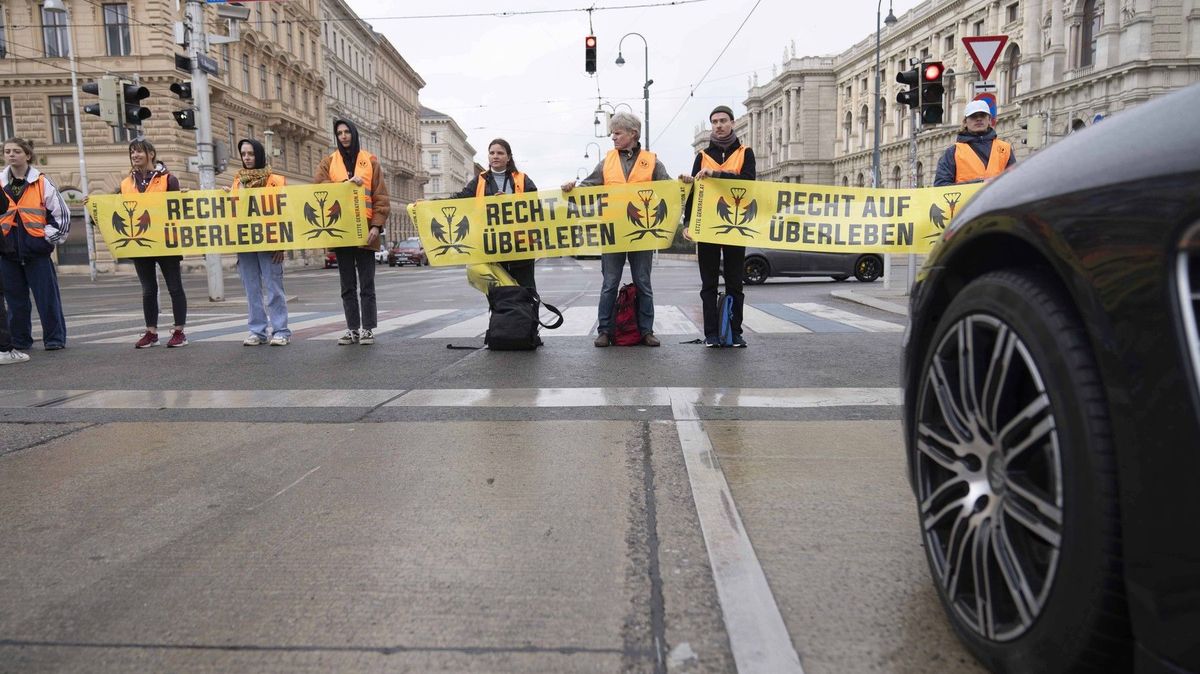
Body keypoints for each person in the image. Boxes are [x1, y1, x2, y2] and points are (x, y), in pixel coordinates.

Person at [562, 112, 670, 347]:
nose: (613, 137)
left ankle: (646, 331)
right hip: (612, 233)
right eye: (612, 132)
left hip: (642, 232)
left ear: (633, 134)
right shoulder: (607, 161)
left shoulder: (652, 162)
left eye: (617, 133)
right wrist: (572, 189)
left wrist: (685, 184)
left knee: (643, 282)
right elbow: (586, 190)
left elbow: (670, 191)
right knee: (610, 283)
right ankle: (605, 331)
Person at [680, 105, 757, 348]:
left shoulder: (746, 153)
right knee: (709, 284)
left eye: (723, 121)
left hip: (736, 226)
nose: (719, 125)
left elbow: (748, 183)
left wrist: (716, 174)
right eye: (714, 122)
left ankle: (736, 332)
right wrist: (688, 223)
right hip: (707, 228)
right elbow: (693, 191)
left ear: (733, 123)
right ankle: (711, 334)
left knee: (735, 282)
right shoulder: (702, 156)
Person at [315, 118, 390, 346]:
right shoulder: (328, 162)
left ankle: (367, 329)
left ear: (354, 134)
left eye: (347, 132)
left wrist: (376, 226)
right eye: (339, 133)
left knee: (367, 284)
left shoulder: (371, 162)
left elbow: (381, 198)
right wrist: (346, 183)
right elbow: (317, 185)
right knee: (347, 285)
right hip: (341, 232)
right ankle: (352, 329)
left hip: (366, 231)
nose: (344, 136)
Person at [110, 139, 189, 348]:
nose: (135, 155)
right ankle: (151, 332)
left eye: (139, 152)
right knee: (148, 289)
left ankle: (179, 331)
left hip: (165, 240)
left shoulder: (168, 180)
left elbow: (176, 209)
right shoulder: (126, 184)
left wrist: (183, 200)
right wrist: (93, 207)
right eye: (132, 152)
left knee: (174, 287)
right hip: (139, 242)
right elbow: (114, 207)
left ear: (151, 154)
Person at [0, 137, 69, 352]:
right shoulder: (1, 182)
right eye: (7, 151)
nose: (11, 154)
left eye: (16, 151)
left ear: (27, 155)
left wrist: (46, 238)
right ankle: (20, 341)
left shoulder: (42, 182)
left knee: (47, 299)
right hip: (7, 251)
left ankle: (54, 339)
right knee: (15, 301)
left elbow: (61, 215)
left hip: (36, 251)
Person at [451, 138, 538, 289]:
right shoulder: (480, 180)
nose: (495, 156)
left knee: (527, 293)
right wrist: (430, 203)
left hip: (521, 249)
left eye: (500, 153)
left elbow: (535, 206)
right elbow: (459, 199)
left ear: (508, 157)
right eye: (491, 153)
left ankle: (529, 313)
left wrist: (509, 201)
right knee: (500, 296)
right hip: (492, 249)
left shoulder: (523, 179)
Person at [231, 139, 291, 346]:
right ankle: (257, 331)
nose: (247, 158)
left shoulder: (275, 180)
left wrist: (281, 244)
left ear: (259, 155)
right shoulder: (238, 181)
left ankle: (281, 330)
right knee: (252, 289)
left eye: (251, 154)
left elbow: (284, 212)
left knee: (274, 288)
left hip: (269, 242)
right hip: (245, 242)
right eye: (243, 154)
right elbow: (233, 211)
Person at [934, 100, 1016, 186]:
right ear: (965, 122)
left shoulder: (1005, 148)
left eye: (983, 115)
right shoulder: (953, 152)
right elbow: (941, 185)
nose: (979, 119)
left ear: (989, 120)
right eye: (973, 116)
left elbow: (1015, 181)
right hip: (967, 199)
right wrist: (979, 184)